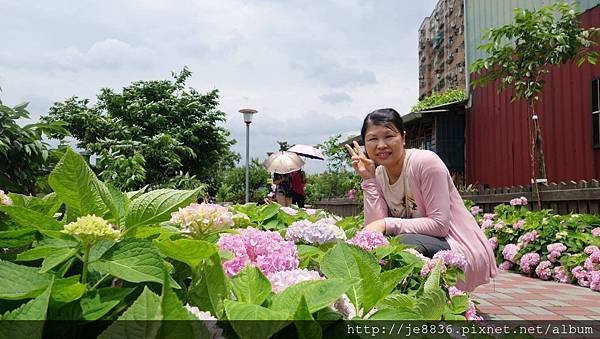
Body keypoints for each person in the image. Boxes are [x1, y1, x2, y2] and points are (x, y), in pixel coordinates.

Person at [345, 108, 496, 291]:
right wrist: (369, 181)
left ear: (403, 137)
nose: (381, 145)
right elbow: (373, 228)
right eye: (373, 139)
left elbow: (439, 225)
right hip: (424, 243)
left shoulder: (425, 163)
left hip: (459, 246)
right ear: (365, 145)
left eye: (389, 136)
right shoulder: (379, 173)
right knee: (379, 243)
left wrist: (387, 224)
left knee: (400, 243)